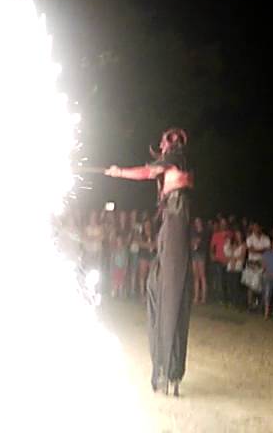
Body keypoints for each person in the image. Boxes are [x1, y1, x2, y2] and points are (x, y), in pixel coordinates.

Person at [104, 127, 194, 396]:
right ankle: (165, 371)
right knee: (157, 288)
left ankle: (169, 372)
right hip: (172, 223)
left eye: (166, 142)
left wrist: (118, 172)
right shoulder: (175, 162)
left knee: (170, 296)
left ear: (172, 144)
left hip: (176, 222)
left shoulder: (177, 158)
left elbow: (147, 171)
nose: (163, 146)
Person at [245, 223, 270, 311]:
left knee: (261, 285)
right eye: (254, 227)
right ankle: (250, 305)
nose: (256, 229)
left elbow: (267, 250)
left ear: (261, 227)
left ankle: (260, 305)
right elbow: (251, 250)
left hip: (263, 263)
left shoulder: (266, 238)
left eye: (258, 227)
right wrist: (262, 250)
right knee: (251, 285)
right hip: (252, 263)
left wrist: (256, 250)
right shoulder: (249, 238)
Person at [209, 217, 229, 304]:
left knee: (227, 280)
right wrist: (212, 255)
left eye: (224, 223)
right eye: (221, 223)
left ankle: (227, 298)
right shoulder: (216, 235)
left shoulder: (230, 234)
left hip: (229, 260)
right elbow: (211, 247)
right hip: (218, 260)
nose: (223, 225)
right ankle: (220, 299)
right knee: (219, 280)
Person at [223, 233, 245, 309]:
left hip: (238, 268)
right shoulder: (231, 247)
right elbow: (227, 257)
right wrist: (232, 255)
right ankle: (231, 302)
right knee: (230, 286)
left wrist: (233, 259)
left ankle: (237, 303)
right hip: (230, 268)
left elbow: (242, 258)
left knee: (236, 286)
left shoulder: (243, 246)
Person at [189, 218, 207, 305]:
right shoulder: (194, 232)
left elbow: (200, 242)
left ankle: (203, 298)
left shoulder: (204, 232)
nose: (197, 223)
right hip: (194, 254)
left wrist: (196, 242)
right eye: (196, 222)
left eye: (198, 222)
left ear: (201, 223)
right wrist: (193, 243)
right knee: (195, 276)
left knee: (202, 276)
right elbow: (192, 242)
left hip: (201, 254)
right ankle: (196, 297)